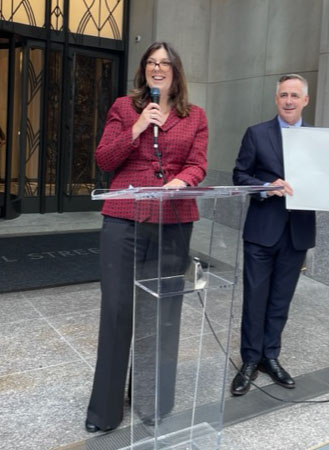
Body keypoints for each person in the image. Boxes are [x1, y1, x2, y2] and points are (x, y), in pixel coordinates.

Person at [85, 41, 208, 432]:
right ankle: (104, 412)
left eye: (165, 63)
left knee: (163, 316)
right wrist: (138, 127)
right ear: (144, 70)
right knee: (118, 312)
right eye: (151, 63)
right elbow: (105, 159)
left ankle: (153, 401)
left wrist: (181, 180)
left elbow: (198, 164)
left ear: (176, 71)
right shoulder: (125, 108)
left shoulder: (196, 116)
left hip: (173, 219)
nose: (158, 68)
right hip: (124, 221)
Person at [231, 74, 329, 396]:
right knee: (255, 300)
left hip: (296, 235)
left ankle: (270, 357)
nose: (288, 101)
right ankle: (249, 361)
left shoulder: (321, 140)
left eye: (294, 96)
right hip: (261, 232)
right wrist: (265, 188)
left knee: (280, 301)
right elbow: (239, 175)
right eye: (283, 95)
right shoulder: (256, 134)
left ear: (305, 100)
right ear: (276, 99)